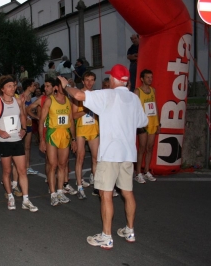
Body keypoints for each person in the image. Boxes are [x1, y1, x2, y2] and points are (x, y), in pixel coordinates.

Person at [62, 64, 148, 249]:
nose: (108, 81)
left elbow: (78, 95)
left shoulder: (108, 94)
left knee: (105, 194)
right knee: (127, 192)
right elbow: (143, 122)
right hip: (128, 153)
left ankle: (106, 236)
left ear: (115, 80)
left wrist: (65, 86)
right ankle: (130, 231)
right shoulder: (133, 98)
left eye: (110, 78)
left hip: (110, 152)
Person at [0, 75, 38, 212]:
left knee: (22, 171)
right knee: (7, 171)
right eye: (9, 86)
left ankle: (26, 199)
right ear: (2, 89)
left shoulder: (18, 101)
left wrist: (24, 128)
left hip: (17, 140)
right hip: (4, 142)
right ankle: (10, 196)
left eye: (13, 86)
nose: (12, 88)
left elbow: (22, 114)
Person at [39, 77, 77, 206]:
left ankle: (60, 191)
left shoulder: (68, 101)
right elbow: (41, 121)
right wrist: (41, 140)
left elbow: (71, 121)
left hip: (65, 135)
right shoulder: (50, 100)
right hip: (52, 134)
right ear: (56, 87)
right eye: (63, 85)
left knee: (62, 164)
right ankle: (53, 193)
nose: (65, 87)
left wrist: (73, 139)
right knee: (52, 165)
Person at [72, 71, 99, 200]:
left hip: (94, 130)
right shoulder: (78, 95)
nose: (89, 82)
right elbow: (73, 115)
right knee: (80, 158)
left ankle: (97, 187)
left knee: (96, 159)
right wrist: (85, 111)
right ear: (82, 81)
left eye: (92, 80)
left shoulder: (97, 94)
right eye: (87, 80)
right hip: (81, 131)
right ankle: (79, 187)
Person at [134, 69, 159, 183]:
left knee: (150, 147)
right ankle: (138, 172)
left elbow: (155, 106)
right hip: (143, 123)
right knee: (142, 148)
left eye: (151, 77)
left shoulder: (153, 90)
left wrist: (158, 122)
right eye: (148, 77)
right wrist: (137, 123)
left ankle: (147, 170)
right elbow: (134, 108)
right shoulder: (137, 91)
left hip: (152, 122)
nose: (150, 79)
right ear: (142, 79)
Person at [22, 78, 39, 175]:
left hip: (29, 123)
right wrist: (36, 117)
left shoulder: (30, 98)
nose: (35, 87)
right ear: (28, 86)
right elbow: (22, 112)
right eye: (33, 85)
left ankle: (27, 166)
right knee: (20, 146)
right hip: (22, 124)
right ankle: (20, 166)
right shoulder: (22, 97)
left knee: (28, 146)